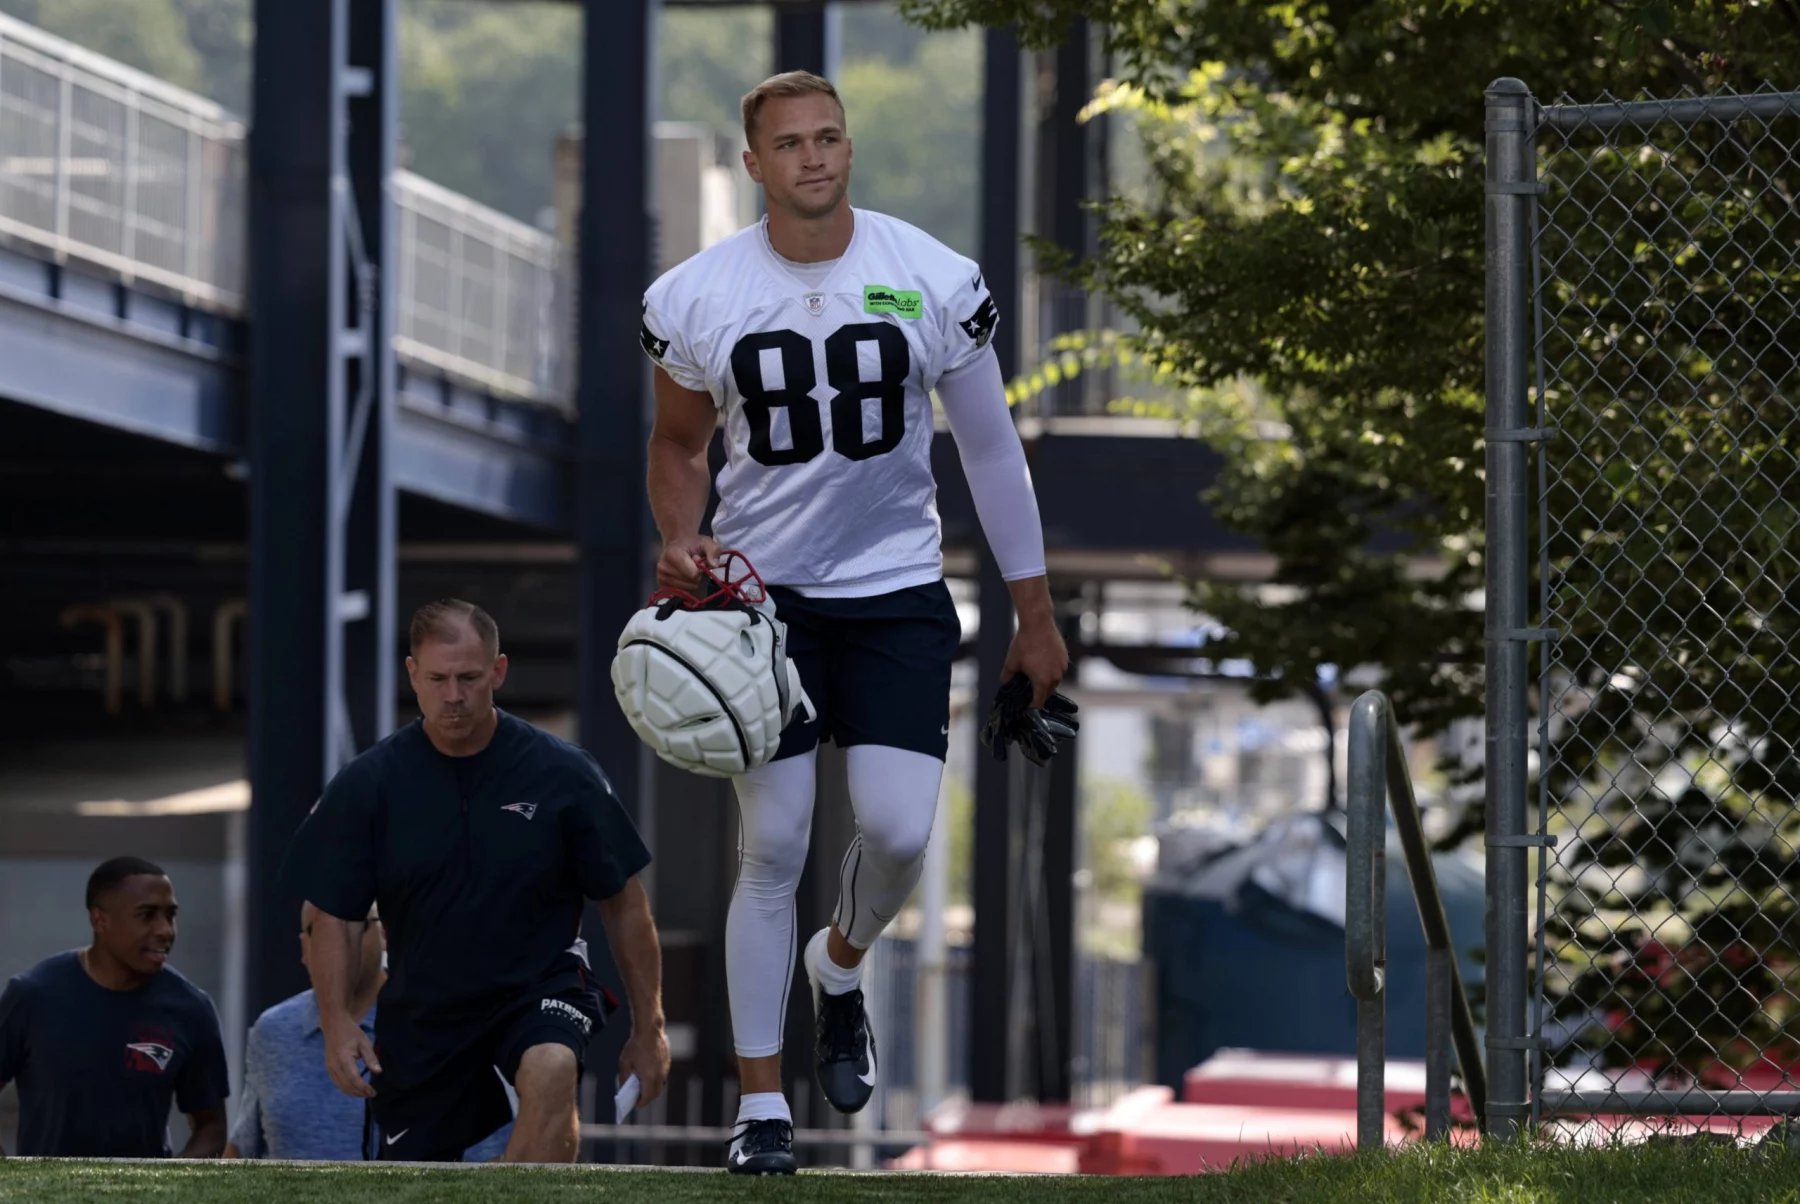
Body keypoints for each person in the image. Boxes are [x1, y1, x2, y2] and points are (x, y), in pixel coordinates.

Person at [639, 71, 1067, 1175]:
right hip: (760, 603)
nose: (814, 158)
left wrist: (1035, 613)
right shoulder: (698, 293)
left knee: (900, 832)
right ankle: (763, 1109)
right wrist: (681, 532)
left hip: (892, 591)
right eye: (789, 143)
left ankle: (842, 965)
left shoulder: (928, 276)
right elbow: (680, 445)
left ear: (848, 146)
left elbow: (989, 449)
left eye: (829, 137)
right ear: (754, 165)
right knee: (774, 843)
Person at [282, 599, 669, 1164]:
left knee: (553, 1066)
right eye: (438, 678)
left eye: (469, 677)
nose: (454, 695)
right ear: (413, 674)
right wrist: (336, 1021)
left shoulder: (563, 773)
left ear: (498, 672)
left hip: (538, 983)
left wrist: (649, 1025)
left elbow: (626, 903)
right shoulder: (368, 784)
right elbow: (333, 913)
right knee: (415, 1178)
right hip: (425, 1005)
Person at [224, 903, 512, 1161]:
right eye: (324, 930)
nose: (340, 940)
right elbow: (242, 1146)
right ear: (305, 947)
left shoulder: (436, 1028)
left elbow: (490, 1161)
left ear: (384, 933)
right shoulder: (272, 1031)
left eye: (356, 924)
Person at [0, 857, 229, 1158]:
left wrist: (171, 1189)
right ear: (100, 920)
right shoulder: (31, 996)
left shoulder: (191, 1009)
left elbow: (211, 1128)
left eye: (170, 915)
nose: (166, 930)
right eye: (147, 915)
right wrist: (12, 1182)